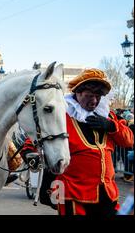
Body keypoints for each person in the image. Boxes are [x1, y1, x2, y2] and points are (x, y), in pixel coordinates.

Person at [27, 68, 133, 215]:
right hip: (74, 194)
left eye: (98, 96)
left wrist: (110, 126)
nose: (94, 101)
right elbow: (37, 136)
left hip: (107, 193)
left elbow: (129, 141)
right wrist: (30, 152)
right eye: (89, 96)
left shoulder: (108, 116)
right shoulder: (64, 116)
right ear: (77, 92)